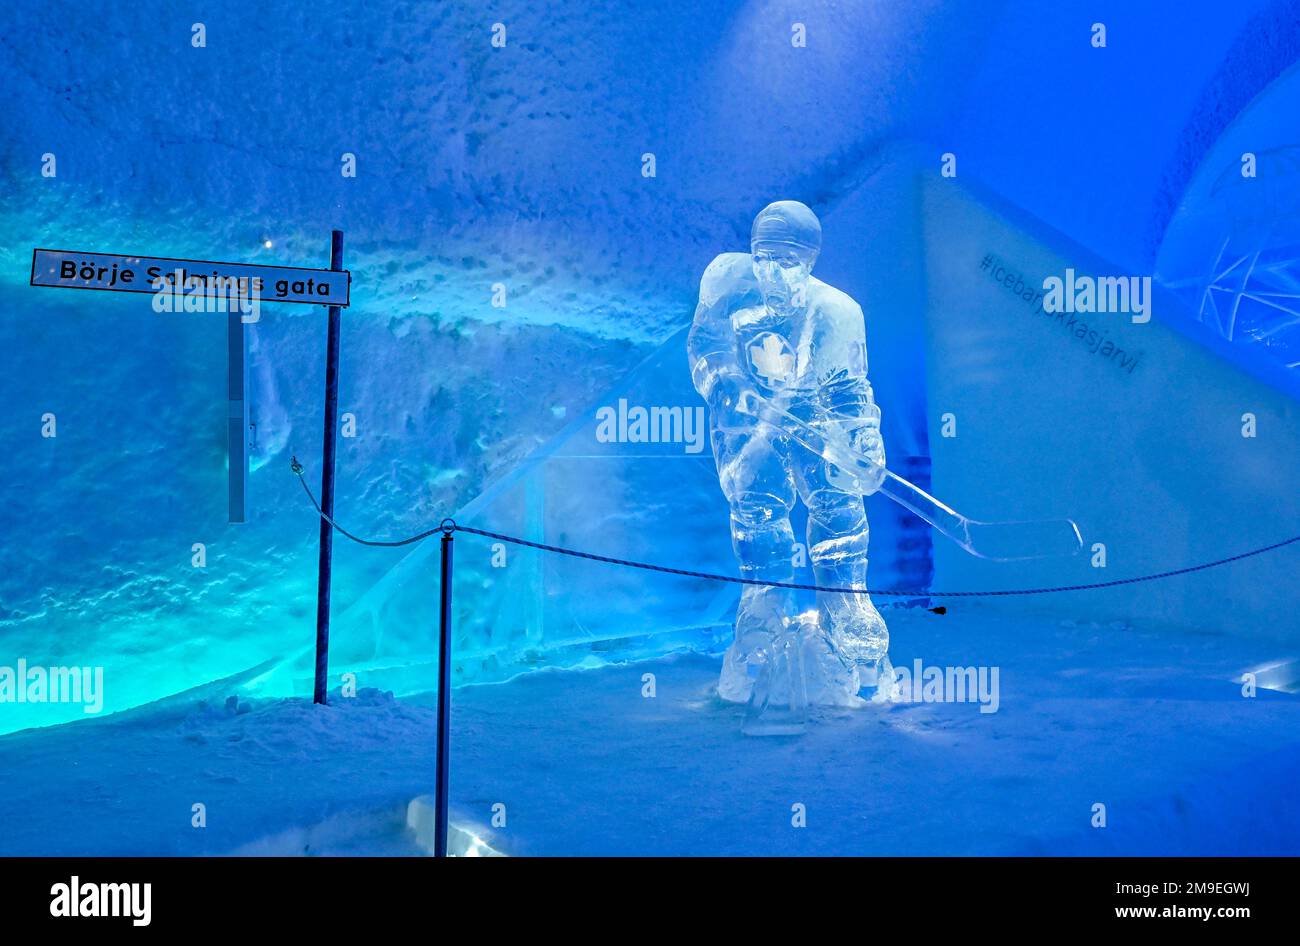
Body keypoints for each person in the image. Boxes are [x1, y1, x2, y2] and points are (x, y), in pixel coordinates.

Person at [687, 201, 894, 716]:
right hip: (747, 430)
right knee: (758, 519)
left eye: (787, 261)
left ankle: (846, 607)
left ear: (811, 260)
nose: (772, 271)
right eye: (764, 257)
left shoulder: (837, 312)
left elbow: (850, 389)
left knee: (839, 510)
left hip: (813, 426)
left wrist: (863, 443)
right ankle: (763, 611)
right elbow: (706, 346)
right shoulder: (726, 281)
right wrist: (726, 383)